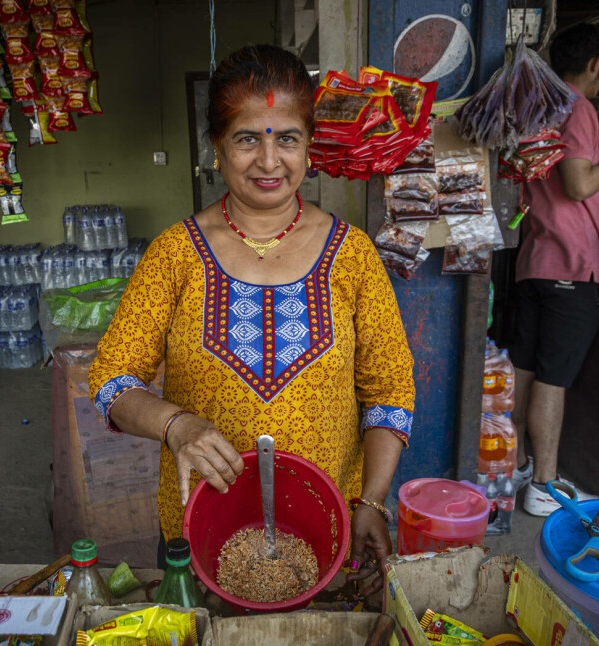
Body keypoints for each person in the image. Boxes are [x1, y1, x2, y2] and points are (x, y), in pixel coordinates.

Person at [88, 45, 415, 595]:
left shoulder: (353, 255)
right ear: (216, 147)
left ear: (308, 146)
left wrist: (373, 502)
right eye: (247, 139)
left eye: (287, 138)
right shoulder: (175, 255)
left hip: (330, 526)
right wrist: (176, 425)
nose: (269, 160)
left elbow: (390, 392)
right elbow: (111, 381)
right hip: (202, 527)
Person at [509, 23, 599, 516]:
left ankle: (514, 466)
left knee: (523, 368)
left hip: (534, 259)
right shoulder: (577, 108)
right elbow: (579, 185)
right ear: (596, 63)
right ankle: (545, 485)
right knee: (552, 379)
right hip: (573, 264)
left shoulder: (536, 107)